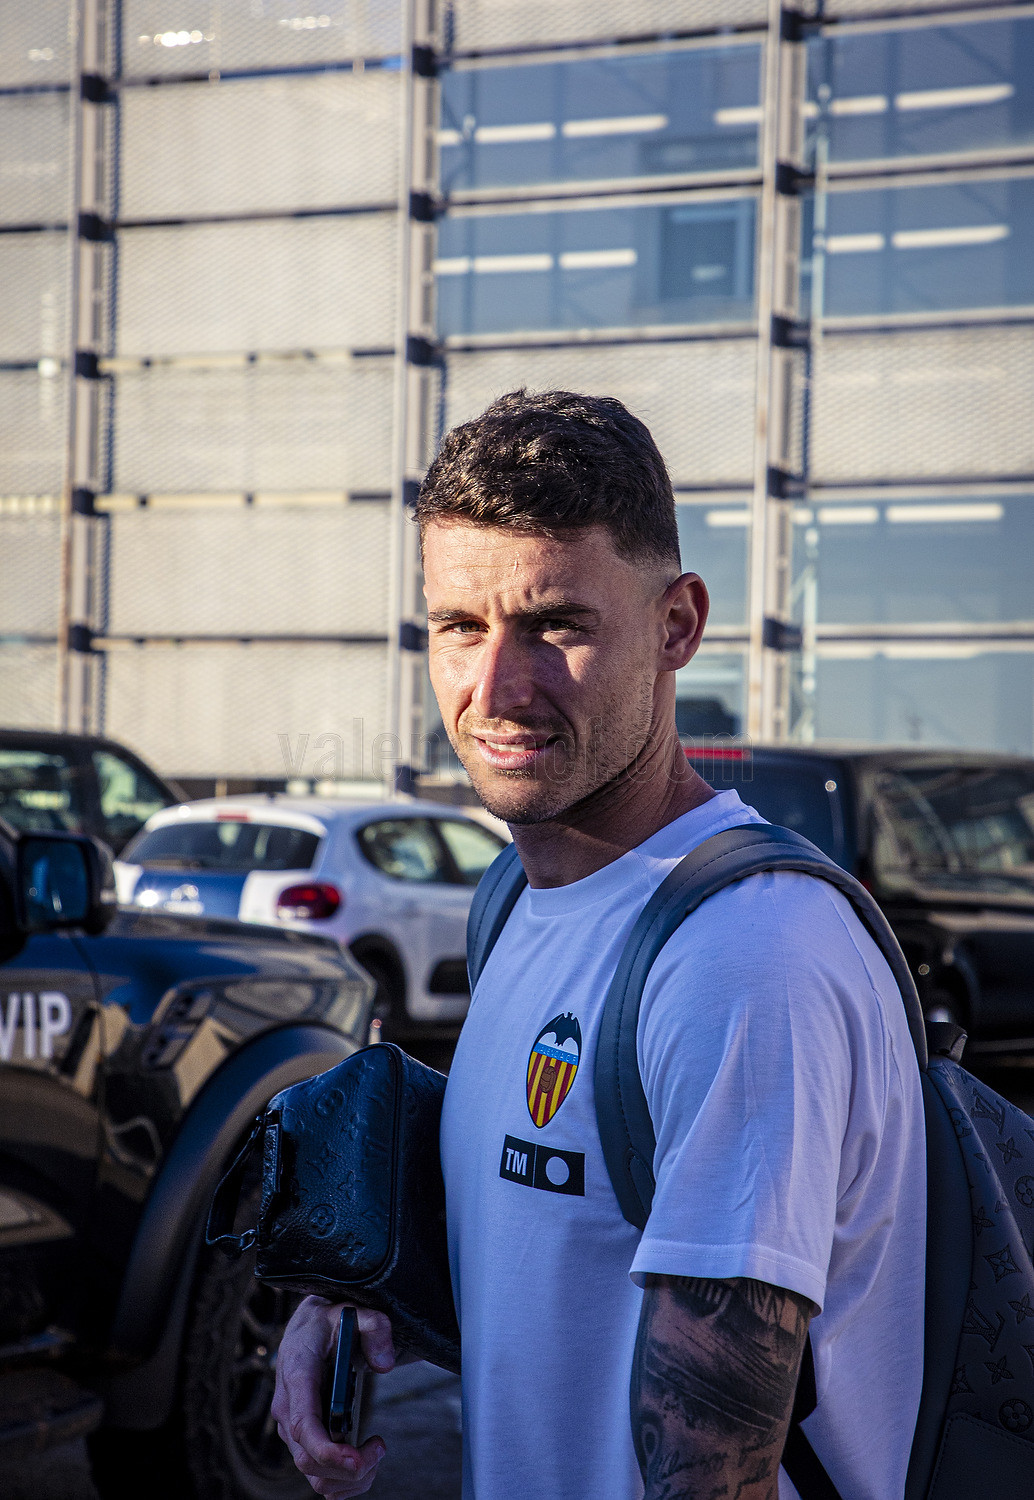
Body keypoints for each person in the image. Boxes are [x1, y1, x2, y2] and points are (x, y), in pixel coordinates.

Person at [271, 390, 926, 1500]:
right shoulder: (514, 900)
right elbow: (556, 1264)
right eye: (459, 627)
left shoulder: (744, 957)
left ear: (678, 626)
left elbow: (711, 1469)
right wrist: (353, 1295)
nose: (496, 688)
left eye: (556, 626)